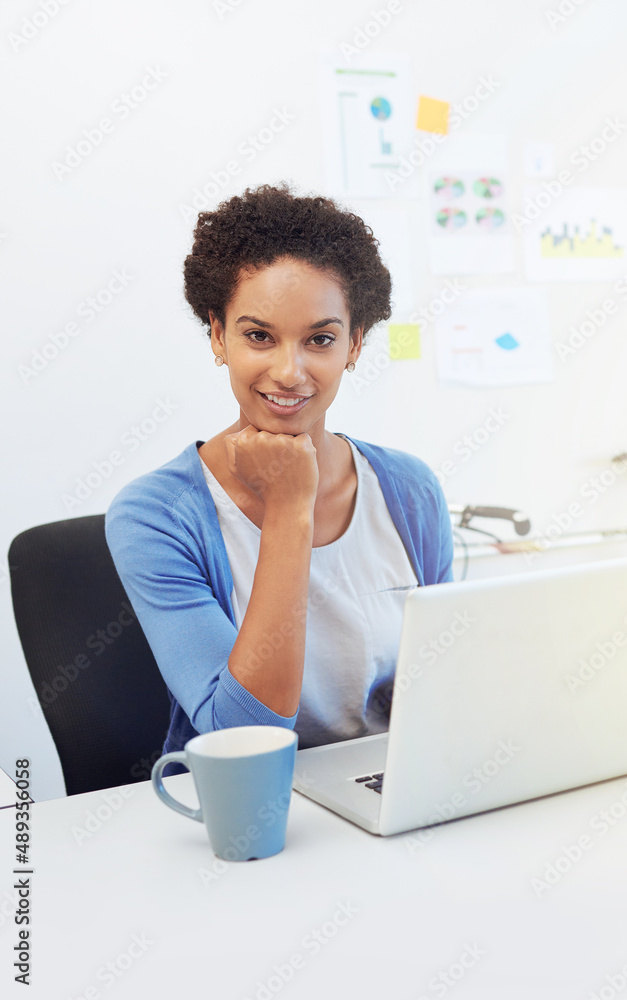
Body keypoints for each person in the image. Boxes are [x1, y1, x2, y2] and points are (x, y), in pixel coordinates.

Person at [105, 182, 454, 759]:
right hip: (250, 812)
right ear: (218, 336)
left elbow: (444, 684)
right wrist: (290, 508)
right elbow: (242, 737)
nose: (289, 371)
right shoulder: (155, 516)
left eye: (320, 339)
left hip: (388, 791)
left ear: (355, 345)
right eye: (259, 336)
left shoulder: (410, 491)